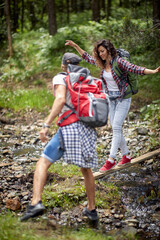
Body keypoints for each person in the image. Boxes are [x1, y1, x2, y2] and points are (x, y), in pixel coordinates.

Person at [20, 52, 99, 222]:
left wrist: (46, 124)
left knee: (43, 161)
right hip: (87, 128)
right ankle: (92, 210)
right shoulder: (88, 78)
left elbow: (61, 99)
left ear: (64, 65)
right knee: (86, 169)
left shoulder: (61, 77)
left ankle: (35, 203)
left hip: (69, 128)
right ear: (78, 64)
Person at [65, 39, 160, 172]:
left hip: (123, 98)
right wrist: (75, 46)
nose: (101, 54)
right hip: (111, 98)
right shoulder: (101, 63)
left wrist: (153, 71)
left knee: (116, 127)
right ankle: (126, 155)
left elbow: (135, 69)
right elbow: (86, 57)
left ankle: (111, 159)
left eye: (102, 51)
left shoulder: (119, 61)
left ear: (109, 50)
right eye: (99, 52)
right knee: (116, 128)